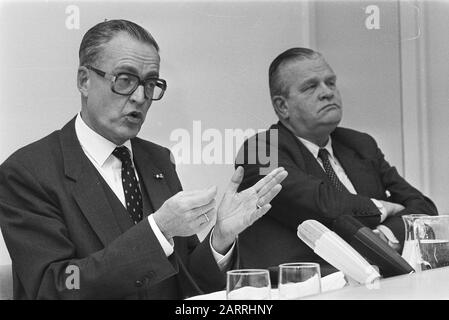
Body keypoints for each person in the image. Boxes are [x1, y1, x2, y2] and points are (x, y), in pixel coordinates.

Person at [0, 19, 288, 299]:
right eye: (125, 80)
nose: (140, 96)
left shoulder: (158, 160)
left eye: (150, 84)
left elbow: (185, 278)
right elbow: (56, 285)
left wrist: (220, 239)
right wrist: (158, 230)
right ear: (84, 81)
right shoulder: (28, 172)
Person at [235, 47, 437, 274]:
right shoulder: (260, 149)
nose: (327, 92)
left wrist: (382, 237)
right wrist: (380, 207)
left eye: (330, 82)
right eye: (311, 86)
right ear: (283, 106)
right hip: (304, 286)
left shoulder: (360, 143)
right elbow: (320, 206)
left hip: (377, 281)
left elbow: (423, 209)